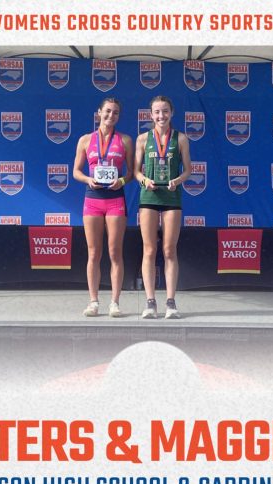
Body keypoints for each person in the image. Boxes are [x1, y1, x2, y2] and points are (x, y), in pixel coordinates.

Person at [72, 97, 134, 318]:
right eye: (107, 111)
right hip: (93, 200)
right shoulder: (85, 140)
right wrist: (88, 179)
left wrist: (122, 181)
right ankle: (93, 301)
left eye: (115, 112)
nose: (111, 115)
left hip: (115, 200)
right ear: (99, 112)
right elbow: (76, 171)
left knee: (115, 251)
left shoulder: (125, 140)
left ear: (119, 116)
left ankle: (115, 302)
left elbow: (131, 172)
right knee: (93, 252)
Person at [133, 95, 192, 319]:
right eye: (157, 112)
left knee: (169, 250)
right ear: (151, 115)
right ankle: (150, 302)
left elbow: (188, 170)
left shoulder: (181, 138)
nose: (161, 116)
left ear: (172, 113)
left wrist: (177, 180)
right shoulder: (142, 139)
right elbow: (135, 171)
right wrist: (144, 180)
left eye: (165, 111)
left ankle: (170, 302)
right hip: (148, 196)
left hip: (172, 197)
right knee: (149, 249)